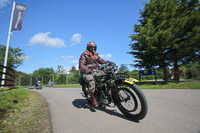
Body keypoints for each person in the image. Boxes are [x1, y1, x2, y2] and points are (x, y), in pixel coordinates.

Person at [79, 41, 115, 107]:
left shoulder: (96, 55)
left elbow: (102, 61)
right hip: (87, 72)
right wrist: (87, 69)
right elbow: (81, 65)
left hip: (96, 71)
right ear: (89, 48)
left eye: (94, 48)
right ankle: (93, 98)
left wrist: (109, 62)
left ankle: (108, 92)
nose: (94, 49)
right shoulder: (84, 55)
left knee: (109, 75)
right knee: (91, 81)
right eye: (92, 48)